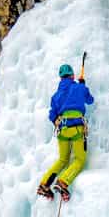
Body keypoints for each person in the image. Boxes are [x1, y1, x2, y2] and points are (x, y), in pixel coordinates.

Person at [37, 63, 94, 202]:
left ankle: (44, 184)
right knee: (80, 159)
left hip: (62, 129)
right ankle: (63, 181)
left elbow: (52, 115)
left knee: (63, 160)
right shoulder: (79, 87)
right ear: (72, 75)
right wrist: (83, 84)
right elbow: (90, 100)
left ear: (61, 78)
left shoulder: (55, 96)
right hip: (76, 127)